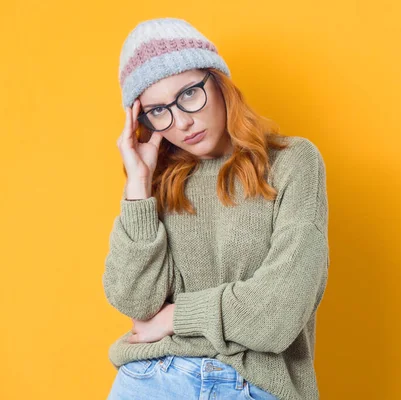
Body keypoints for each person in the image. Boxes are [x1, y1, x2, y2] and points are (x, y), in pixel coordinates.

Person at [103, 17, 330, 400]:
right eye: (158, 111)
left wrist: (175, 317)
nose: (181, 121)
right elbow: (136, 303)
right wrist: (138, 187)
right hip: (156, 378)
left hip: (255, 385)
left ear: (219, 82)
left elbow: (277, 315)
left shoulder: (293, 163)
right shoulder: (161, 184)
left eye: (189, 93)